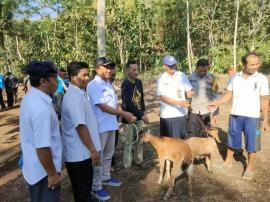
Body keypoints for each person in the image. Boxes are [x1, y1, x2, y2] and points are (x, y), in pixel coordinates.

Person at [209, 52, 269, 180]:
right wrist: (217, 102)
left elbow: (264, 99)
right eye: (252, 64)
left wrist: (265, 120)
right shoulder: (235, 78)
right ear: (244, 64)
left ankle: (250, 167)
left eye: (257, 63)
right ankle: (228, 161)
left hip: (253, 117)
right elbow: (228, 95)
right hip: (236, 115)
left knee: (253, 143)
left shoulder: (262, 79)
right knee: (232, 139)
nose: (255, 66)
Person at [87, 57, 136, 201]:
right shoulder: (93, 85)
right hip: (99, 128)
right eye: (106, 67)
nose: (110, 70)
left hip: (111, 125)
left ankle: (105, 177)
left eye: (111, 67)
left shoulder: (108, 84)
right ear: (97, 69)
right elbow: (102, 106)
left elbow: (114, 104)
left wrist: (121, 113)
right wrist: (123, 113)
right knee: (98, 158)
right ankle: (95, 187)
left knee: (109, 154)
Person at [20, 61, 62, 202]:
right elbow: (43, 147)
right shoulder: (41, 109)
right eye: (55, 78)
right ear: (44, 81)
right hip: (43, 172)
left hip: (34, 167)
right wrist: (52, 174)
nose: (57, 82)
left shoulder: (30, 97)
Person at [61, 62, 101, 202]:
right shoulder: (73, 97)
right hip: (79, 155)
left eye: (87, 74)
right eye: (83, 75)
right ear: (72, 77)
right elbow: (80, 126)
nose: (87, 78)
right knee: (82, 193)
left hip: (82, 154)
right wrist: (93, 150)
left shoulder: (79, 93)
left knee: (84, 191)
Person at [157, 55, 193, 139]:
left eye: (174, 65)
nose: (173, 67)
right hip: (168, 116)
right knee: (170, 143)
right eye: (170, 66)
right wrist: (179, 103)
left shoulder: (182, 75)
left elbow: (189, 90)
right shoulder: (162, 79)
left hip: (181, 114)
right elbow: (162, 97)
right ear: (164, 66)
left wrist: (190, 93)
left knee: (181, 140)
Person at [121, 60, 149, 168]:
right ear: (127, 71)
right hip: (129, 119)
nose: (136, 72)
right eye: (134, 70)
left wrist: (144, 111)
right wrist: (141, 115)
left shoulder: (139, 82)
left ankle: (139, 161)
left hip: (139, 117)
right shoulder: (125, 85)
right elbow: (128, 103)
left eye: (137, 69)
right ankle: (127, 165)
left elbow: (141, 99)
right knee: (129, 142)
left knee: (139, 140)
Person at [187, 59, 219, 136]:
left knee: (205, 133)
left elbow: (214, 95)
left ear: (208, 68)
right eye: (201, 71)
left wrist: (215, 113)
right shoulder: (189, 78)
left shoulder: (212, 79)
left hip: (206, 110)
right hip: (193, 110)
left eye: (205, 71)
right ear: (197, 68)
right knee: (192, 133)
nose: (203, 73)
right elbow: (185, 94)